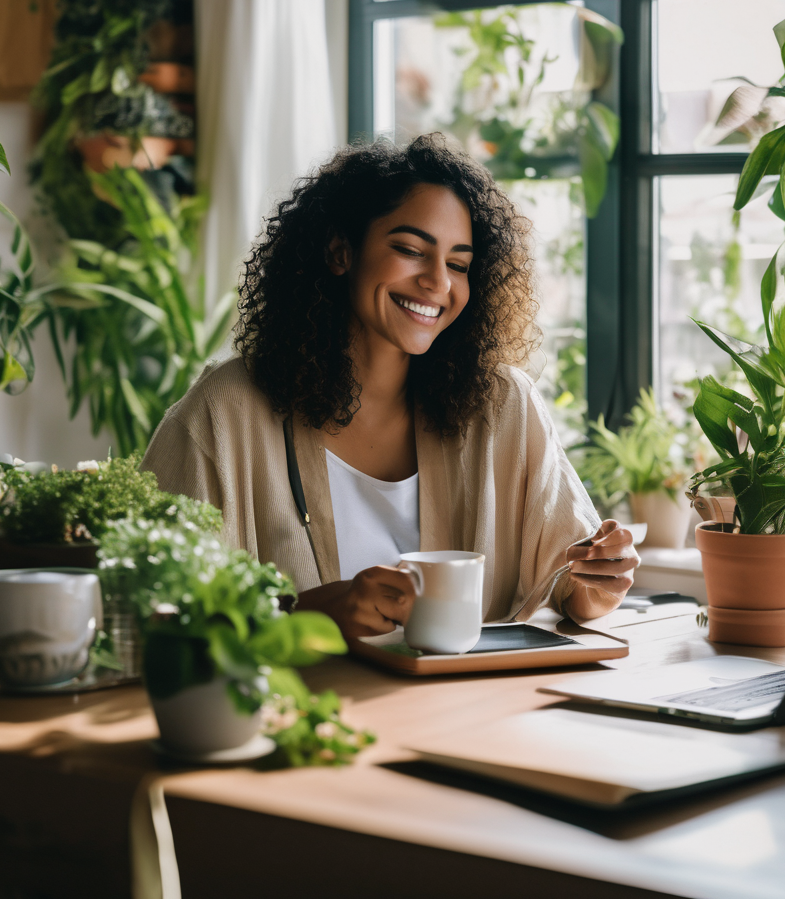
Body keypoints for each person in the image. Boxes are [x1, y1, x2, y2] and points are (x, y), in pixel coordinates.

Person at [141, 134, 638, 638]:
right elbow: (153, 610)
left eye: (459, 265)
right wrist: (302, 616)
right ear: (340, 251)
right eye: (409, 249)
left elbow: (573, 583)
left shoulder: (503, 406)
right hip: (299, 713)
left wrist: (602, 578)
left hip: (472, 714)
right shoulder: (223, 414)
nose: (438, 282)